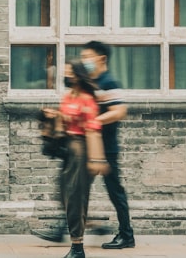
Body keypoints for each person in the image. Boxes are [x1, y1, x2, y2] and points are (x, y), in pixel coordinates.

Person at [81, 41, 135, 250]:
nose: (84, 61)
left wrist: (94, 121)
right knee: (78, 189)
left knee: (115, 192)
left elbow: (119, 111)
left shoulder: (108, 82)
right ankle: (65, 228)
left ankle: (126, 236)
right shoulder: (91, 82)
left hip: (106, 148)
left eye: (88, 57)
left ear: (101, 59)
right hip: (92, 146)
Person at [57, 60, 110, 258]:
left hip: (81, 149)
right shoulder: (68, 96)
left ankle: (77, 247)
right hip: (67, 149)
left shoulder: (87, 99)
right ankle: (78, 240)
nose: (66, 76)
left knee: (76, 197)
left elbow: (93, 130)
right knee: (65, 194)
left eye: (69, 73)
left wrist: (97, 160)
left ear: (78, 76)